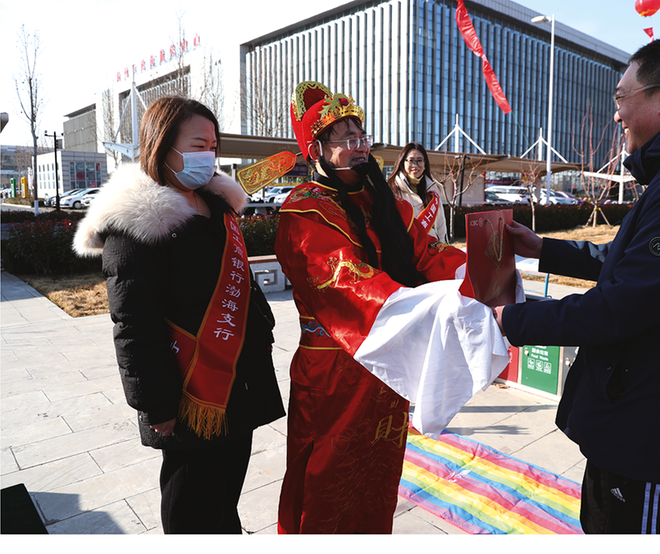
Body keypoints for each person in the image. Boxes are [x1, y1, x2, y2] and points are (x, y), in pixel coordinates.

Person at [494, 36, 660, 534]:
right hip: (639, 416)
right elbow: (628, 263)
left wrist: (510, 319)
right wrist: (543, 248)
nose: (616, 113)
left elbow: (621, 304)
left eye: (622, 98)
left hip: (654, 430)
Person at [275, 81, 509, 534]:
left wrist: (479, 273)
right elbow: (345, 281)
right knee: (326, 480)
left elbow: (427, 253)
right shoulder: (305, 210)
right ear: (316, 150)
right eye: (345, 139)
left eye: (360, 136)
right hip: (336, 372)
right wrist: (430, 303)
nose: (358, 147)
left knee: (377, 477)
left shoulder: (383, 204)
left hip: (389, 369)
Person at [73, 96, 285, 534]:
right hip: (188, 391)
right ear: (162, 146)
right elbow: (134, 324)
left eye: (213, 146)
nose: (208, 156)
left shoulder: (218, 206)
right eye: (197, 145)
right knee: (192, 511)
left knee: (224, 501)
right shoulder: (136, 225)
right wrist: (155, 403)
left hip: (238, 383)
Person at [387, 142, 450, 243]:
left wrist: (443, 246)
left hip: (431, 249)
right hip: (406, 249)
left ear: (425, 164)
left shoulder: (433, 190)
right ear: (403, 162)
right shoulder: (391, 189)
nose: (415, 165)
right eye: (411, 161)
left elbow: (441, 226)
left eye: (419, 161)